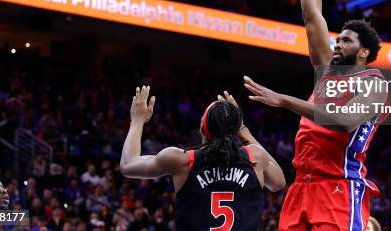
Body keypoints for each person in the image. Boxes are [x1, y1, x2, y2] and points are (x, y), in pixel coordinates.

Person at [243, 0, 389, 230]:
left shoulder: (374, 84)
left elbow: (343, 121)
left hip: (339, 186)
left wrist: (284, 101)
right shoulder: (328, 74)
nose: (336, 44)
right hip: (302, 186)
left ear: (363, 52)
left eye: (346, 41)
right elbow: (312, 14)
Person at [120, 86, 285, 231]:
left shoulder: (181, 161)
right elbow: (279, 183)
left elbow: (128, 164)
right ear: (234, 130)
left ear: (203, 126)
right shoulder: (254, 157)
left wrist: (137, 121)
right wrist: (242, 129)